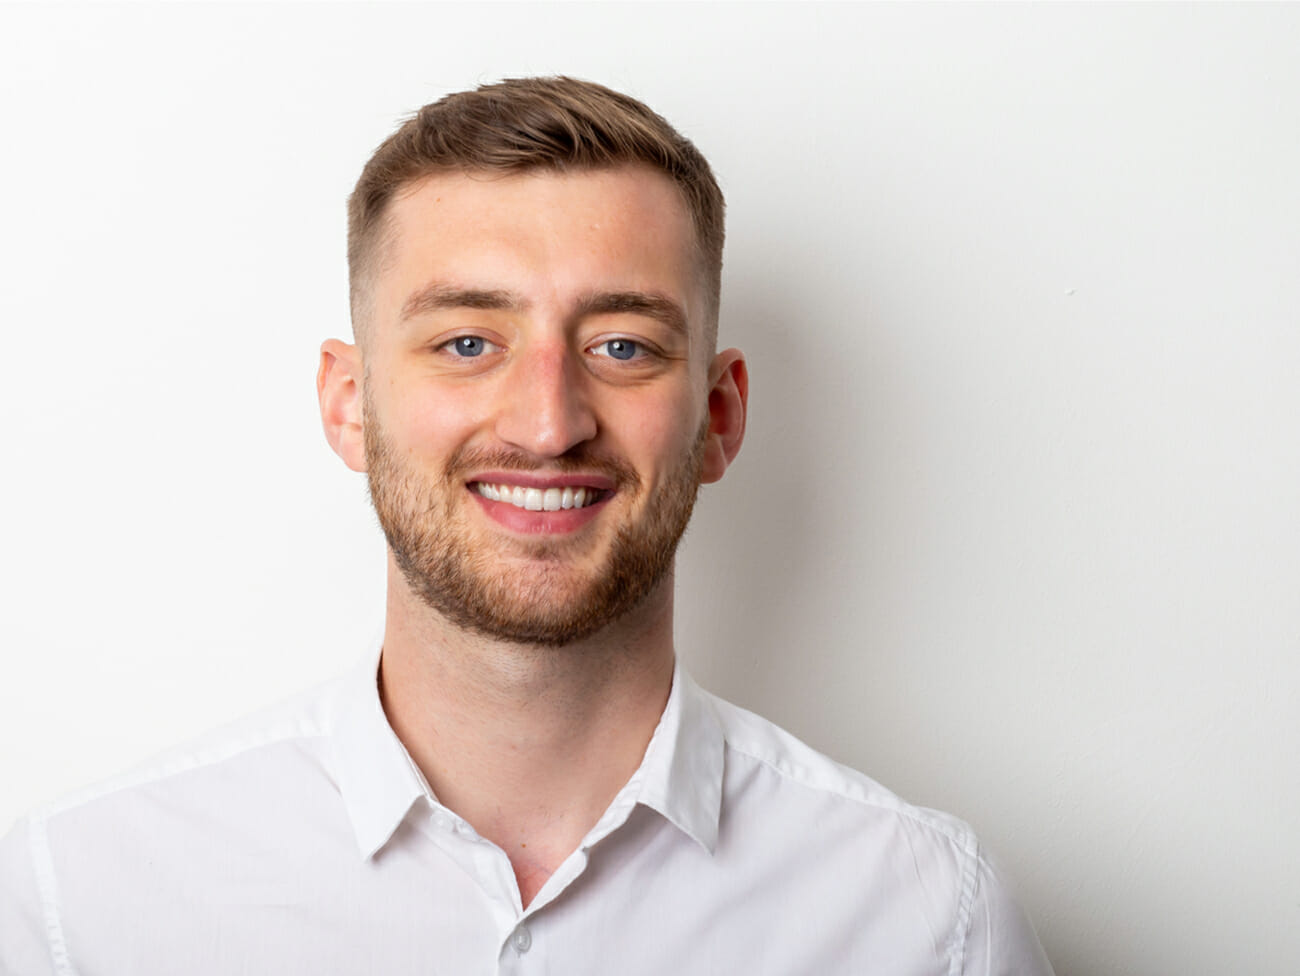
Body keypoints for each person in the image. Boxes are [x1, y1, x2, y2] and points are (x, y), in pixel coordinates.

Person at [0, 77, 1053, 975]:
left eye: (624, 346)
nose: (548, 424)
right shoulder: (80, 906)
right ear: (348, 405)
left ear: (720, 415)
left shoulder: (927, 919)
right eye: (467, 341)